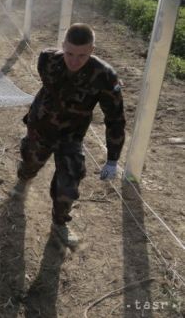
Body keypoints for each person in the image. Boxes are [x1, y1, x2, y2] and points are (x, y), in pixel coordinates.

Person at [14, 23, 125, 249]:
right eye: (70, 53)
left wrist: (113, 158)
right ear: (63, 46)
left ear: (92, 50)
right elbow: (45, 87)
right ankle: (23, 178)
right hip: (40, 128)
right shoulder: (47, 59)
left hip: (71, 136)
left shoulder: (104, 76)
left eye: (82, 55)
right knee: (29, 163)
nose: (74, 61)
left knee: (68, 184)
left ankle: (59, 224)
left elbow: (115, 119)